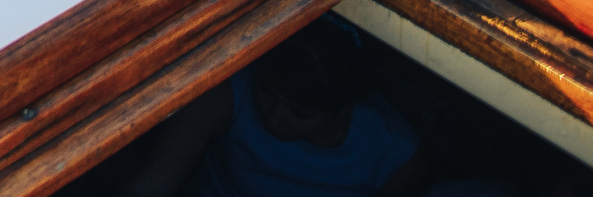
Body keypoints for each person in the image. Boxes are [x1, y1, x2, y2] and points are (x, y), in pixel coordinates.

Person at [119, 21, 425, 197]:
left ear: (345, 108)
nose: (275, 118)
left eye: (300, 113)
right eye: (267, 95)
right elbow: (148, 188)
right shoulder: (226, 94)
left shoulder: (393, 151)